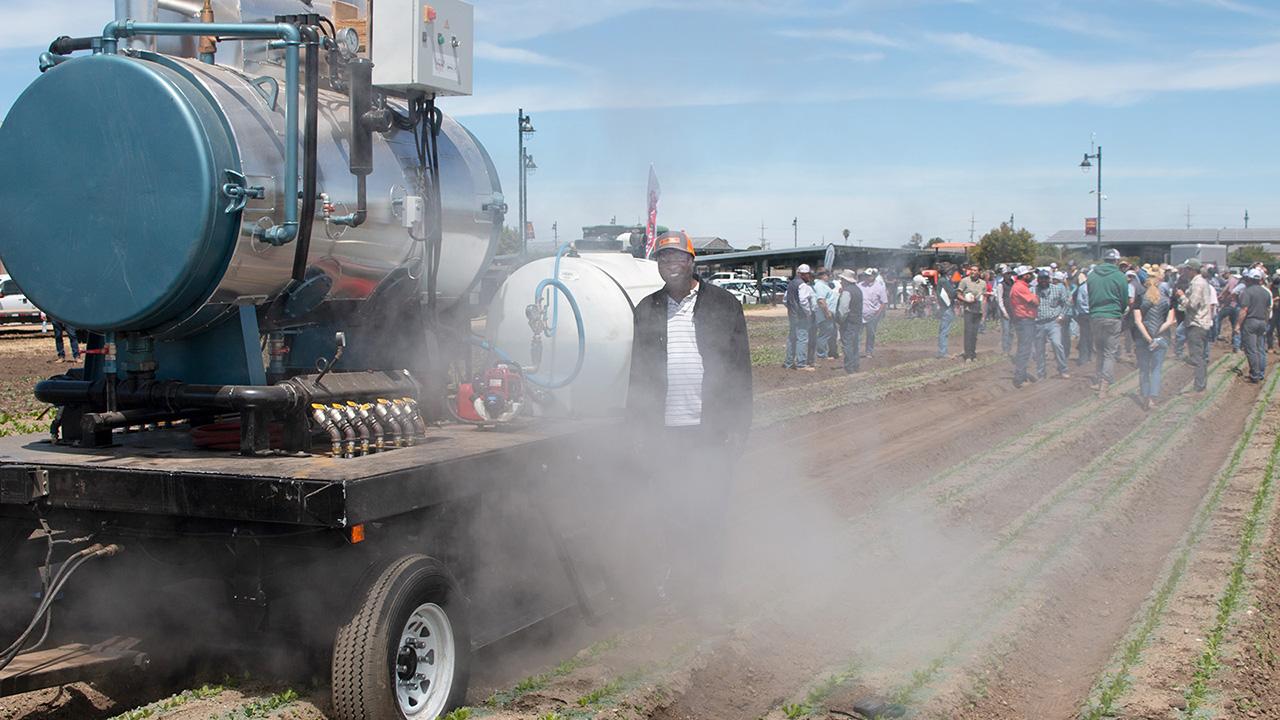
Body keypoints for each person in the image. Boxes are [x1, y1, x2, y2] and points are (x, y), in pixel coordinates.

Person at [627, 230, 751, 610]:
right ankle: (678, 587)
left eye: (678, 258)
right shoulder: (646, 308)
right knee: (671, 512)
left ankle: (708, 592)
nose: (671, 265)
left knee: (708, 510)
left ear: (692, 262)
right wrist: (637, 428)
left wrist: (738, 426)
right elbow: (639, 374)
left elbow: (740, 369)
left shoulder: (723, 303)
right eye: (664, 259)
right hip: (665, 431)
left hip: (710, 430)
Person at [1087, 249, 1130, 398]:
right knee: (1109, 353)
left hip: (1095, 316)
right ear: (1116, 261)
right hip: (1112, 316)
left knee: (1099, 350)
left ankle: (1098, 380)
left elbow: (1090, 296)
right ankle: (1104, 385)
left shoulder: (1091, 275)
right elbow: (1124, 299)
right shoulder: (1120, 276)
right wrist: (1121, 311)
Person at [1133, 275, 1176, 410]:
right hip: (1161, 338)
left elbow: (1137, 321)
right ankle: (1152, 399)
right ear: (1159, 285)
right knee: (1156, 369)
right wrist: (1157, 333)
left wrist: (1147, 337)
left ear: (1145, 286)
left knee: (1144, 369)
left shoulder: (1140, 300)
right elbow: (1169, 321)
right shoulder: (1167, 301)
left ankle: (1145, 397)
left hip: (1142, 339)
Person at [1179, 258, 1217, 392]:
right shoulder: (1202, 282)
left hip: (1197, 323)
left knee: (1197, 356)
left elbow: (1192, 304)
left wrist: (1182, 296)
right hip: (1202, 322)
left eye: (1187, 269)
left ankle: (1199, 386)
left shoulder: (1197, 283)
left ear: (1192, 270)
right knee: (1199, 355)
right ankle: (1200, 384)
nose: (1185, 271)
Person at [1235, 268, 1272, 383]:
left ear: (1249, 279)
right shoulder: (1266, 292)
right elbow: (1267, 310)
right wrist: (1265, 323)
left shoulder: (1247, 292)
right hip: (1262, 321)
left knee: (1251, 349)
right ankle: (1261, 373)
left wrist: (1237, 325)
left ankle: (1254, 375)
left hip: (1250, 322)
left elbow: (1244, 310)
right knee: (1260, 348)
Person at [1033, 270, 1071, 379]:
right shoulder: (1033, 290)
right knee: (1040, 349)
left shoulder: (1057, 289)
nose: (1044, 281)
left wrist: (1061, 315)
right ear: (1038, 280)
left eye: (1046, 278)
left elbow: (1067, 303)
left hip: (1053, 322)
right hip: (1038, 323)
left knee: (1057, 344)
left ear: (1049, 279)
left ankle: (1063, 369)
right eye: (1041, 279)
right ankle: (1041, 373)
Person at [1009, 266, 1039, 388]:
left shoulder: (1019, 286)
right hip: (1025, 320)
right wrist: (1036, 298)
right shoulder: (1020, 287)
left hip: (1022, 320)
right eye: (1029, 274)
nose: (1031, 276)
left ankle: (1022, 374)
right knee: (1024, 349)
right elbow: (1035, 302)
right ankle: (1019, 379)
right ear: (1024, 275)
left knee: (1024, 348)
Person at [783, 264, 816, 371]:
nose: (808, 276)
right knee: (802, 338)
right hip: (801, 316)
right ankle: (801, 363)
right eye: (807, 274)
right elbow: (803, 300)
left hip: (792, 315)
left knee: (792, 338)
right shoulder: (803, 285)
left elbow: (785, 300)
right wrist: (808, 313)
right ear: (804, 274)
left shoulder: (791, 284)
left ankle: (788, 362)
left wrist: (790, 309)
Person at [836, 269, 864, 374]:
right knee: (855, 344)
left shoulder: (847, 291)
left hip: (849, 322)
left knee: (847, 344)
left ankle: (849, 367)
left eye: (842, 279)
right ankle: (856, 365)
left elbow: (843, 310)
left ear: (845, 280)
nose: (840, 281)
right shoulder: (858, 290)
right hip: (857, 321)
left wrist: (840, 320)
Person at [956, 264, 986, 361]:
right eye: (971, 270)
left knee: (974, 334)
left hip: (978, 311)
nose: (973, 272)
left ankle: (973, 353)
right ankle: (968, 355)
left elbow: (984, 299)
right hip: (968, 310)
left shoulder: (983, 283)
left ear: (979, 272)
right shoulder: (965, 281)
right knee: (968, 332)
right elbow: (958, 294)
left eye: (975, 270)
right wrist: (966, 300)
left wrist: (984, 313)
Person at [860, 269, 888, 359]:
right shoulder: (859, 285)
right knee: (858, 334)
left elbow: (884, 302)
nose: (867, 277)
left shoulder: (880, 287)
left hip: (873, 316)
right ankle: (855, 351)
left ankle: (869, 351)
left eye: (869, 276)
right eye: (866, 275)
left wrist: (878, 314)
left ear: (873, 276)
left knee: (871, 334)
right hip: (860, 314)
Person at [813, 268, 839, 361]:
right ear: (823, 275)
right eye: (828, 275)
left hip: (829, 314)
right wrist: (827, 312)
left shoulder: (824, 285)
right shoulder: (820, 286)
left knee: (831, 333)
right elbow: (821, 301)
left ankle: (831, 352)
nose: (829, 276)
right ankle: (821, 354)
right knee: (824, 334)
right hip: (825, 314)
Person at [936, 264, 957, 359]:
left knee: (943, 330)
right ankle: (943, 352)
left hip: (943, 307)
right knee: (944, 330)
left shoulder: (941, 280)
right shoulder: (944, 281)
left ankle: (942, 351)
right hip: (947, 307)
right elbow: (952, 293)